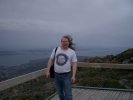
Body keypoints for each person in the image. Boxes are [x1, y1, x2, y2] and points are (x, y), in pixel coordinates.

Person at [46, 35, 77, 100]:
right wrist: (47, 71)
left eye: (66, 41)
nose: (64, 43)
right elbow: (50, 59)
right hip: (56, 75)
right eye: (63, 41)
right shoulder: (56, 49)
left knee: (68, 94)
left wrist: (73, 76)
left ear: (69, 42)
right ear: (61, 42)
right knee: (60, 93)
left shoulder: (72, 52)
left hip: (66, 75)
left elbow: (74, 64)